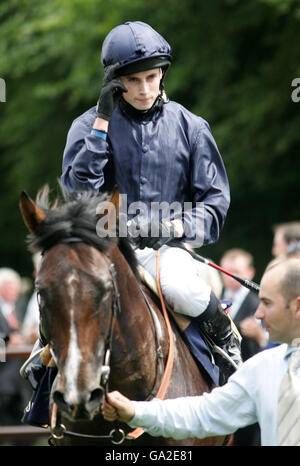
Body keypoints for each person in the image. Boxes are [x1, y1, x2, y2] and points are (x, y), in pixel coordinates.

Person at [59, 21, 241, 382]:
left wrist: (173, 226)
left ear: (162, 75)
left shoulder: (192, 127)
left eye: (152, 77)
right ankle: (46, 368)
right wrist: (102, 124)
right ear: (115, 82)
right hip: (104, 247)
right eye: (133, 80)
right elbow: (78, 194)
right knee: (63, 287)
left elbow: (215, 203)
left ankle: (227, 345)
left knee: (180, 288)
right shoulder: (86, 126)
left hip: (165, 251)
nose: (145, 89)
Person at [102, 258, 300, 446]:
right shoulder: (262, 368)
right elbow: (203, 414)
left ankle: (223, 338)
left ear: (297, 306)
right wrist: (134, 411)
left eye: (267, 303)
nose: (258, 313)